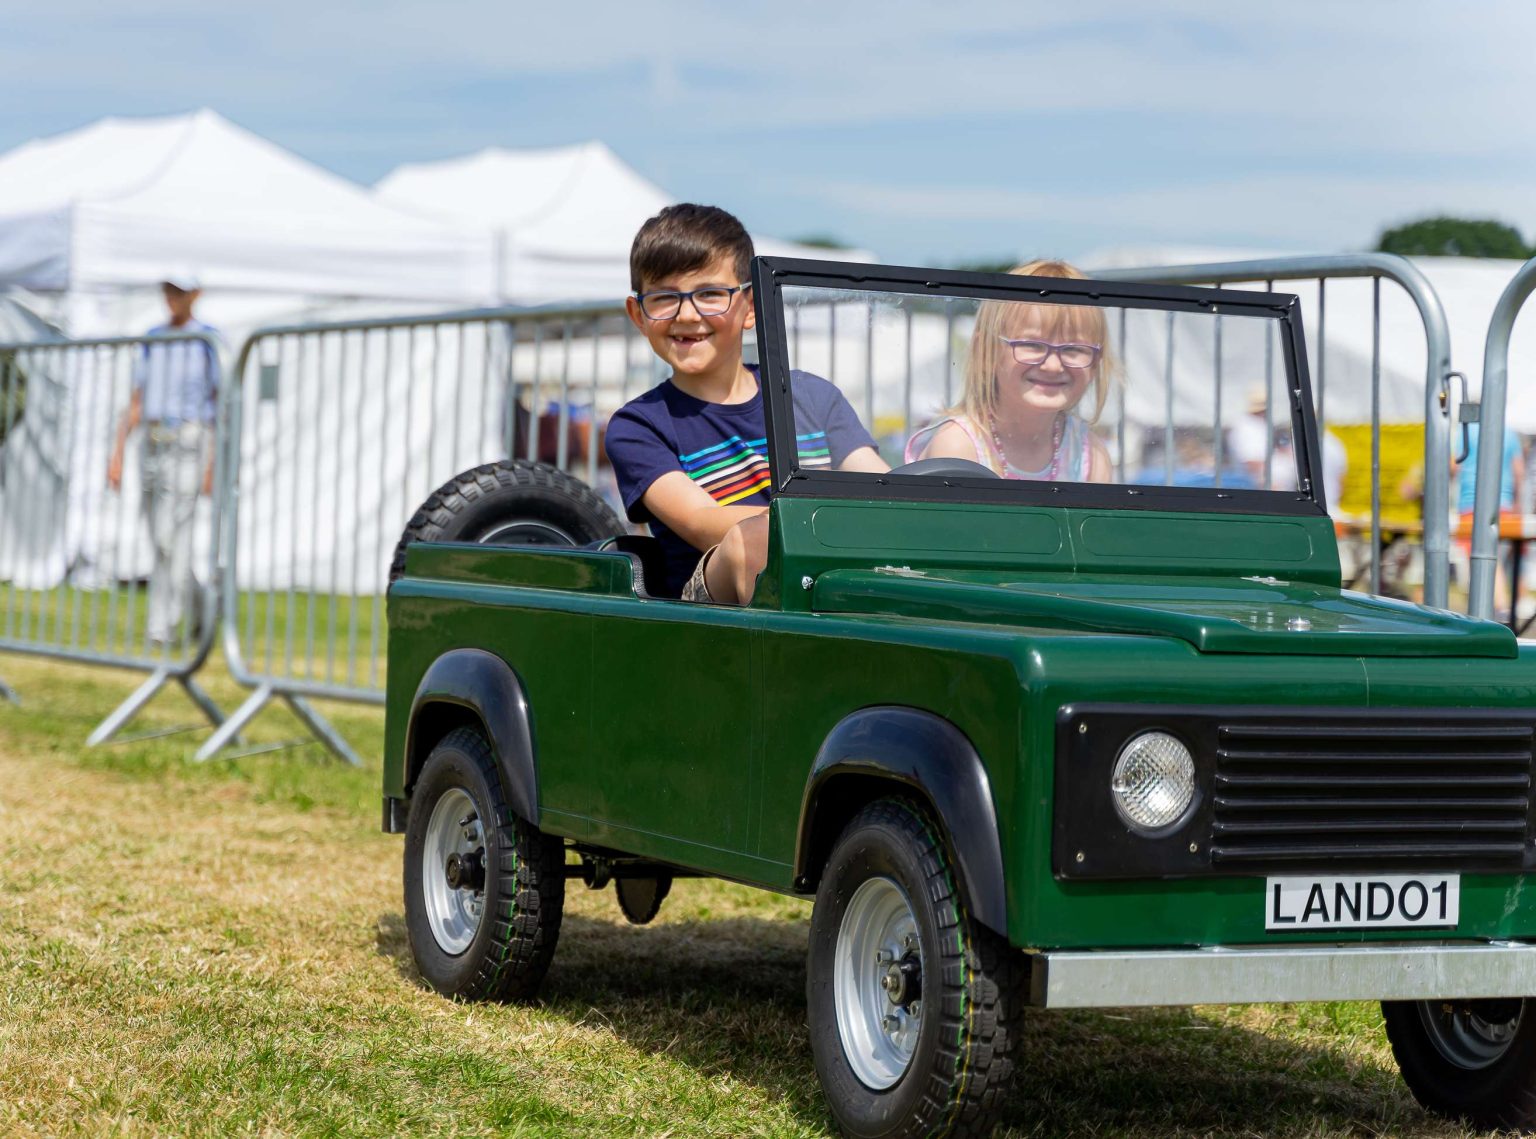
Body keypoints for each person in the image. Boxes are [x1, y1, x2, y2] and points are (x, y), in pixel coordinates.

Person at [605, 205, 886, 605]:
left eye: (709, 294)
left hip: (831, 579)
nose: (687, 314)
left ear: (751, 306)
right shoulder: (638, 426)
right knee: (754, 539)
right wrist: (838, 521)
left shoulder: (812, 397)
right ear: (639, 314)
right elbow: (705, 524)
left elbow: (880, 487)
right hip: (711, 611)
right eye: (665, 298)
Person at [904, 259, 1113, 482]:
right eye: (1031, 345)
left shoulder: (1090, 454)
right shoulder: (958, 445)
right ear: (987, 351)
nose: (1053, 365)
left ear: (1095, 361)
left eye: (1073, 349)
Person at [107, 273, 220, 645]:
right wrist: (118, 451)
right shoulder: (152, 338)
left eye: (180, 291)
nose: (172, 297)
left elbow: (220, 405)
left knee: (176, 536)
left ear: (196, 294)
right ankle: (201, 604)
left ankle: (163, 628)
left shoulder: (209, 340)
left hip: (189, 440)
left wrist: (213, 462)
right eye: (169, 289)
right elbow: (137, 399)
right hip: (151, 441)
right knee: (158, 538)